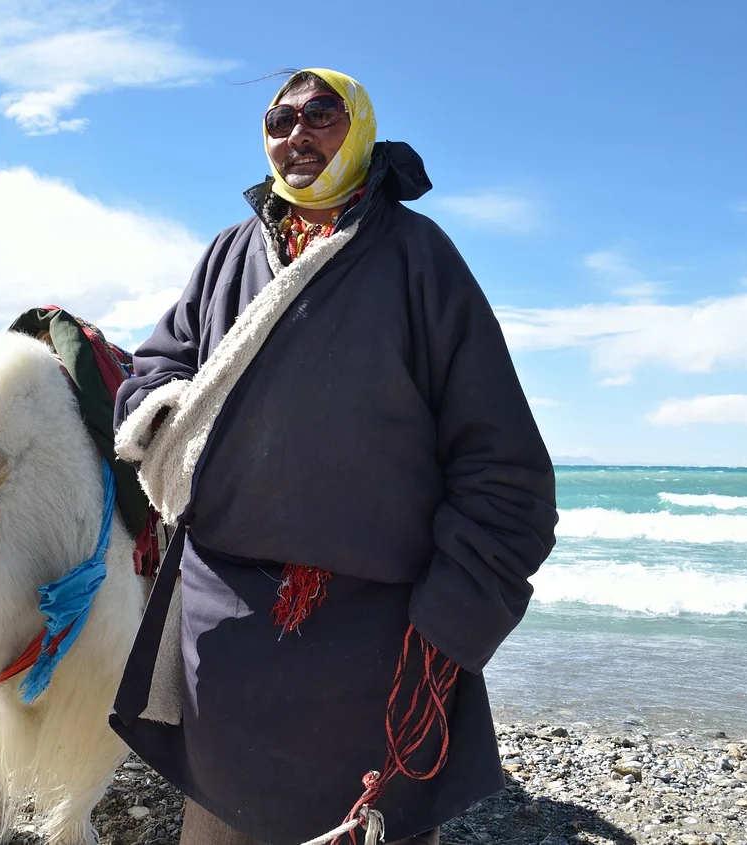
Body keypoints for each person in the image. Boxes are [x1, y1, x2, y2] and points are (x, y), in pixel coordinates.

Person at [108, 67, 559, 845]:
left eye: (321, 113)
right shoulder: (227, 254)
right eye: (280, 119)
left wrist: (449, 622)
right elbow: (155, 371)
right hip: (225, 629)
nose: (297, 133)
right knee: (220, 820)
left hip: (372, 638)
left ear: (359, 127)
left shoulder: (418, 257)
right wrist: (172, 425)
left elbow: (503, 470)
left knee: (370, 823)